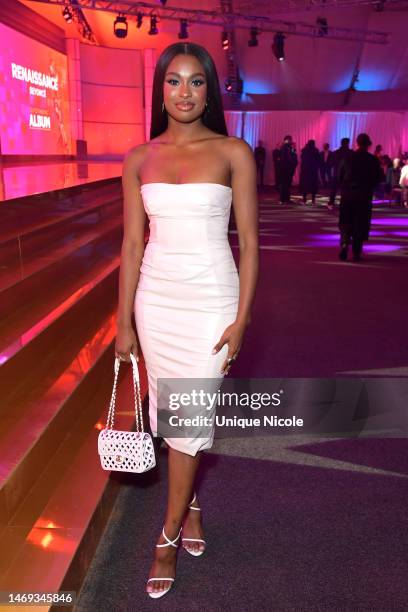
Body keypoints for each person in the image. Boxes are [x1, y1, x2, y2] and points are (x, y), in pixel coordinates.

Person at [115, 42, 259, 599]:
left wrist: (243, 318)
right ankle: (191, 505)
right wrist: (123, 321)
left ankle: (166, 536)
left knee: (187, 424)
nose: (183, 92)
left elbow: (249, 244)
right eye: (173, 81)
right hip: (156, 302)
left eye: (196, 82)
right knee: (171, 422)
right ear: (159, 89)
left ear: (210, 91)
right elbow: (131, 245)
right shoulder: (137, 157)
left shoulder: (232, 152)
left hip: (212, 304)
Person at [338, 133, 384, 262]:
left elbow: (339, 176)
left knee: (346, 220)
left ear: (357, 143)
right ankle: (357, 252)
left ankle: (345, 242)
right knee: (360, 222)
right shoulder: (373, 160)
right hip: (364, 195)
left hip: (348, 195)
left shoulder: (348, 158)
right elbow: (379, 178)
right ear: (368, 144)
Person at [299, 139, 320, 205]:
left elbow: (302, 159)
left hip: (305, 170)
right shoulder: (316, 150)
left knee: (305, 185)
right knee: (313, 185)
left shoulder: (304, 150)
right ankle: (313, 200)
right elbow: (318, 159)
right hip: (313, 170)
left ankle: (304, 199)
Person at [279, 135, 298, 204]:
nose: (291, 141)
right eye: (290, 140)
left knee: (287, 184)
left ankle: (285, 199)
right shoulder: (285, 147)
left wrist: (293, 149)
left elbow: (293, 155)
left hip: (287, 169)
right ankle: (283, 199)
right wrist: (293, 164)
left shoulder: (288, 147)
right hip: (286, 169)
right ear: (287, 140)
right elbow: (288, 158)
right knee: (285, 184)